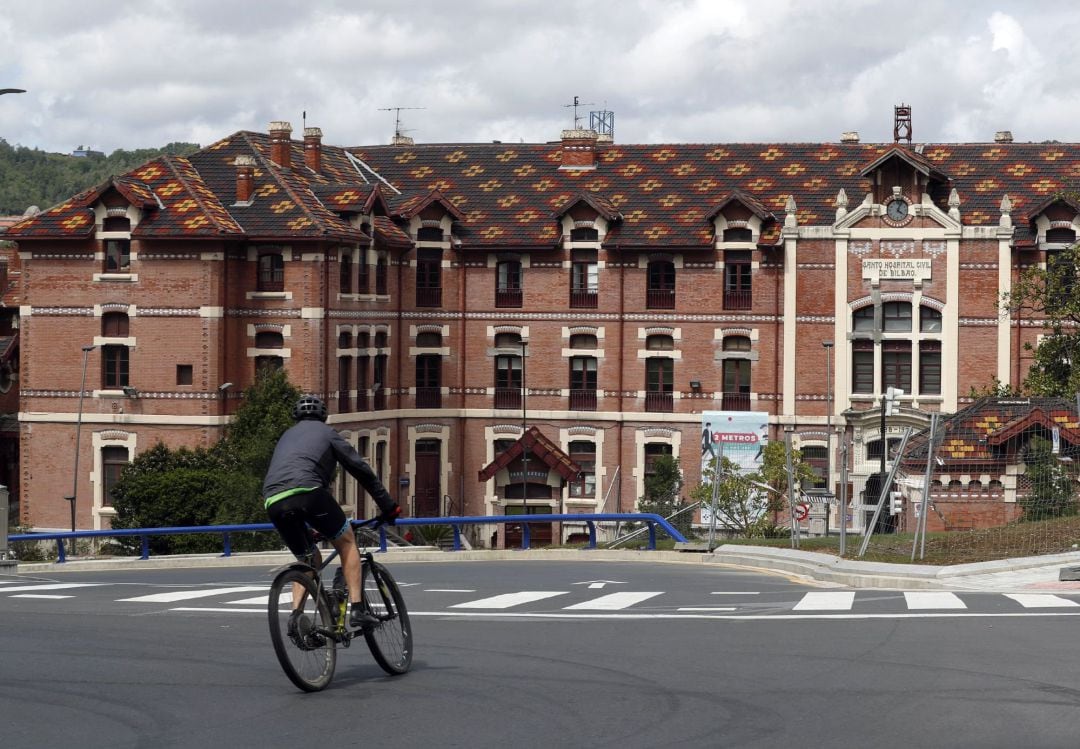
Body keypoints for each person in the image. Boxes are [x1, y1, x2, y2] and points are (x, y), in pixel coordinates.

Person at [263, 394, 401, 631]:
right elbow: (360, 469)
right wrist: (387, 505)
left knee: (307, 558)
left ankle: (296, 618)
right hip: (309, 493)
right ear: (323, 417)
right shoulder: (327, 433)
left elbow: (289, 483)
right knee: (347, 543)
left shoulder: (286, 436)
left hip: (272, 500)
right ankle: (357, 609)